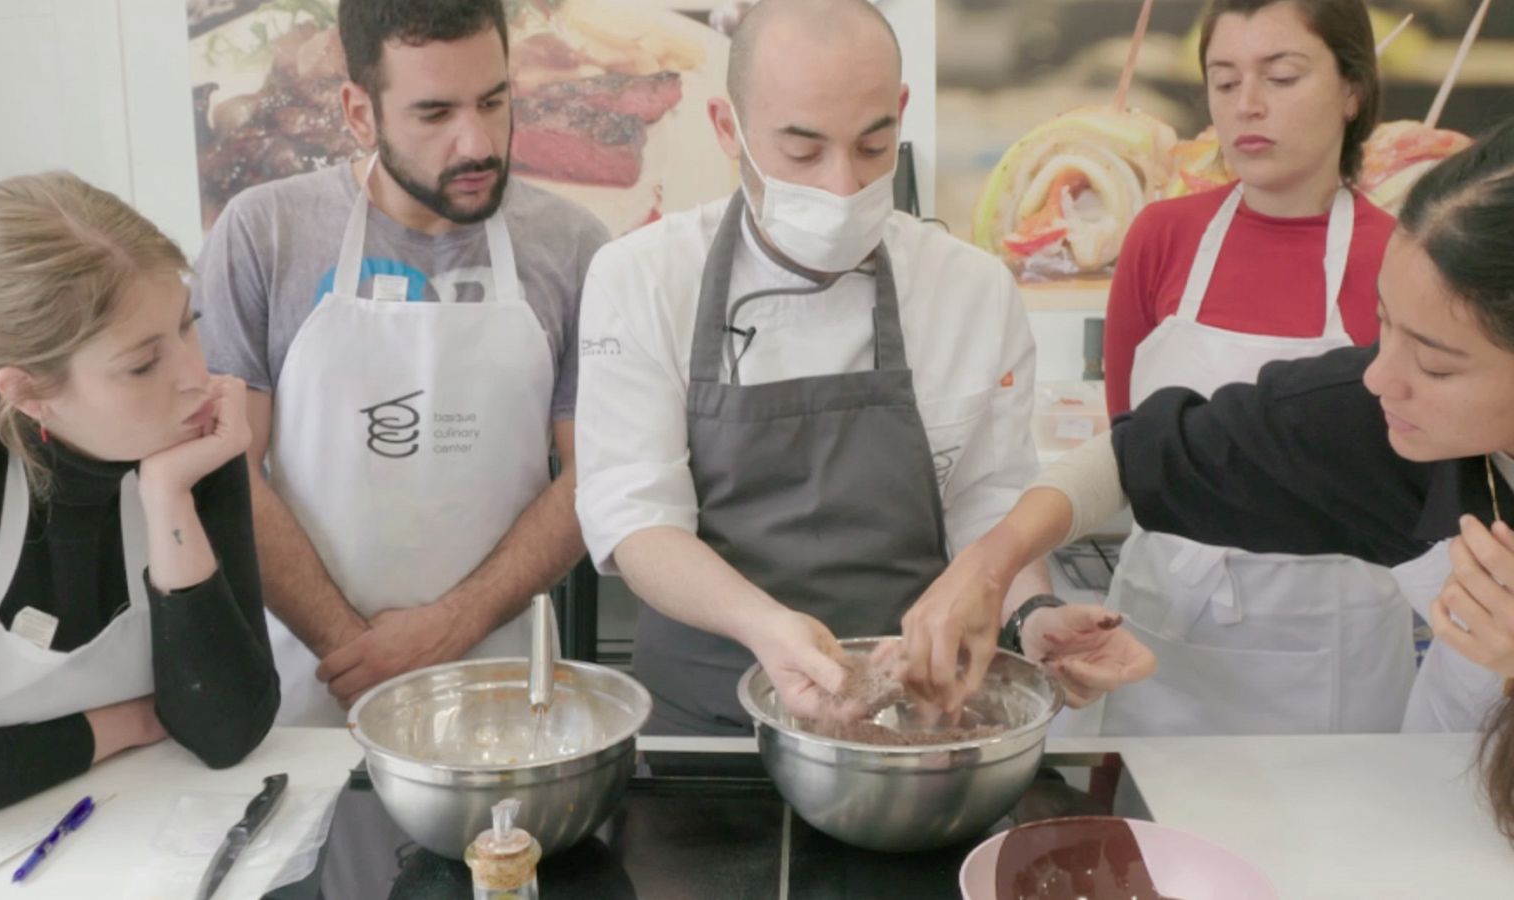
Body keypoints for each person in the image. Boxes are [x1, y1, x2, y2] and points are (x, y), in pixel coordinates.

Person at [899, 117, 1514, 838]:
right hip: (1438, 812)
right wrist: (989, 568)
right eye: (1385, 328)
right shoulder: (1371, 418)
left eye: (1436, 364)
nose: (1381, 376)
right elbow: (1133, 457)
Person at [574, 0, 1153, 736]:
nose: (843, 187)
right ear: (729, 129)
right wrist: (768, 629)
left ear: (901, 113)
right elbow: (637, 520)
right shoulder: (643, 277)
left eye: (873, 146)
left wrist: (1029, 614)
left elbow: (988, 501)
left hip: (916, 724)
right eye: (803, 152)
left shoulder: (968, 290)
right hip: (703, 732)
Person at [192, 0, 611, 724]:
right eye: (434, 113)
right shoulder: (264, 235)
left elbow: (592, 475)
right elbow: (226, 469)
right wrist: (356, 651)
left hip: (499, 687)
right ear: (360, 113)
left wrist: (452, 625)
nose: (476, 142)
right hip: (314, 685)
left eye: (494, 101)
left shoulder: (573, 247)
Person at [1082, 0, 1416, 736]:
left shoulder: (1402, 259)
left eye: (1283, 75)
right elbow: (1129, 448)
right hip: (1160, 641)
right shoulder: (1160, 239)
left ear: (1353, 91)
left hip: (1330, 655)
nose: (1248, 106)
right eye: (1224, 81)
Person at [0, 174, 277, 837]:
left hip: (147, 841)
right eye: (143, 365)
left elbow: (229, 730)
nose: (196, 377)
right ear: (29, 392)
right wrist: (129, 722)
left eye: (187, 326)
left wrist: (169, 498)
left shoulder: (193, 436)